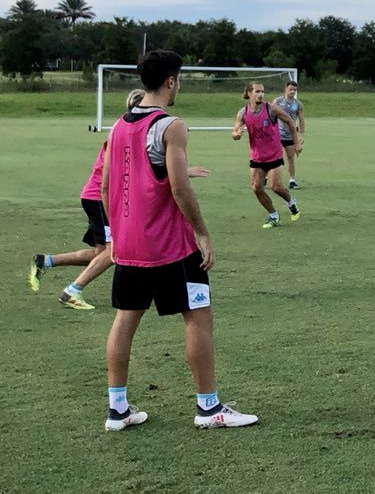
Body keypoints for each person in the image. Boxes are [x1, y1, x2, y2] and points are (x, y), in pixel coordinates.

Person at [101, 50, 257, 431]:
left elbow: (105, 187)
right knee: (198, 316)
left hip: (131, 248)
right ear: (171, 80)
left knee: (125, 320)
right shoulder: (172, 126)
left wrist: (115, 236)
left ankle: (116, 409)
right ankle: (209, 408)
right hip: (171, 247)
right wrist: (202, 232)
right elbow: (179, 185)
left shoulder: (119, 125)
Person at [29, 91, 211, 310]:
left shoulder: (126, 132)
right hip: (101, 198)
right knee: (113, 251)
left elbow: (148, 169)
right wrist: (184, 173)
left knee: (102, 253)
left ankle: (46, 261)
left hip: (99, 195)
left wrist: (183, 171)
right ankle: (72, 291)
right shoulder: (126, 134)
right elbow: (134, 172)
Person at [232, 82, 302, 228]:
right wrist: (237, 134)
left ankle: (291, 202)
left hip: (274, 155)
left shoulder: (271, 108)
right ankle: (273, 216)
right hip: (257, 157)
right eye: (257, 91)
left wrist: (297, 143)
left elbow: (290, 121)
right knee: (257, 188)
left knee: (275, 187)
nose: (261, 94)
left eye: (262, 91)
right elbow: (234, 132)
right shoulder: (243, 113)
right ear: (249, 93)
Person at [273, 80, 305, 188]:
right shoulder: (277, 101)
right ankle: (267, 177)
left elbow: (301, 120)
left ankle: (292, 181)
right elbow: (271, 116)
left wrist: (301, 135)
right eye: (291, 89)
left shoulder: (298, 104)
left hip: (290, 135)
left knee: (291, 158)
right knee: (273, 158)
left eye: (295, 90)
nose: (292, 92)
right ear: (286, 89)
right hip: (277, 135)